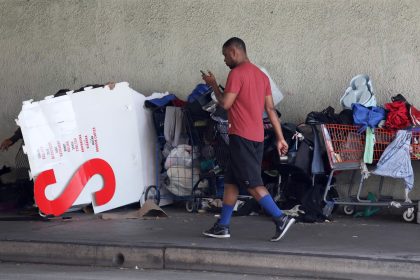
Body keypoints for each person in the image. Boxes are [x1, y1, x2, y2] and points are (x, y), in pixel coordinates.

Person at [201, 37, 295, 241]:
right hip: (256, 137)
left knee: (252, 183)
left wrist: (213, 86)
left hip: (241, 136)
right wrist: (280, 138)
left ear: (234, 51)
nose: (225, 60)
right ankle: (223, 226)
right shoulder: (262, 76)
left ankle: (280, 218)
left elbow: (225, 104)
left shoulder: (236, 73)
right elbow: (270, 109)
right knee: (231, 182)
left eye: (225, 55)